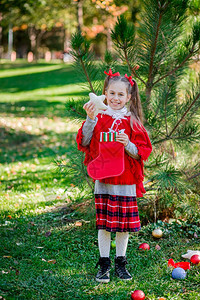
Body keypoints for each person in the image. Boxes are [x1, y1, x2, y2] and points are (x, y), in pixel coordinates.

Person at [76, 69, 152, 283]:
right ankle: (103, 263)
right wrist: (90, 119)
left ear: (129, 97)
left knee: (123, 225)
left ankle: (121, 262)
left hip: (125, 180)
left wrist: (127, 144)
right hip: (104, 179)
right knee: (104, 224)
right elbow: (83, 142)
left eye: (121, 95)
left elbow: (142, 152)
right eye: (112, 93)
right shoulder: (99, 117)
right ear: (105, 94)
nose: (115, 98)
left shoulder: (132, 121)